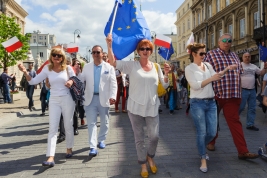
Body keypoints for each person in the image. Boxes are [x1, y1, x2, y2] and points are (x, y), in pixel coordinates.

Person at [106, 34, 170, 178]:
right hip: (135, 107)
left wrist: (166, 74)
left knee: (154, 137)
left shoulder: (156, 66)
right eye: (142, 48)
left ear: (151, 51)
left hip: (152, 106)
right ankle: (143, 163)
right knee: (139, 138)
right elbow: (113, 62)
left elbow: (165, 85)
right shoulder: (132, 65)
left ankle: (150, 156)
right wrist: (109, 46)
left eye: (148, 48)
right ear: (138, 51)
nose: (145, 51)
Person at [18, 47, 76, 167]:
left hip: (67, 98)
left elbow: (75, 79)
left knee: (68, 125)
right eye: (54, 55)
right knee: (53, 128)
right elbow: (33, 81)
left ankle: (69, 147)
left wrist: (71, 82)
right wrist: (24, 71)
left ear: (62, 57)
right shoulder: (47, 69)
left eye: (59, 55)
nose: (56, 57)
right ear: (51, 56)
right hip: (54, 99)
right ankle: (50, 156)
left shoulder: (68, 68)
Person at [204, 33, 259, 159]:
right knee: (213, 121)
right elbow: (204, 73)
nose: (227, 42)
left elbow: (239, 75)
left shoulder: (235, 55)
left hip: (233, 96)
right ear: (219, 42)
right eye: (224, 40)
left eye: (229, 40)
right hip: (216, 95)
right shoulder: (211, 54)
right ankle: (211, 142)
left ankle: (242, 151)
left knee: (235, 123)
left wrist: (239, 93)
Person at [185, 42, 237, 173]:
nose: (204, 55)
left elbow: (217, 77)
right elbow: (196, 86)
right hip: (197, 103)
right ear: (193, 54)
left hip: (211, 103)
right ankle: (203, 158)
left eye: (205, 53)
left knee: (212, 132)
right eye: (201, 53)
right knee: (201, 132)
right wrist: (211, 79)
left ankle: (201, 145)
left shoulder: (207, 65)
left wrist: (226, 69)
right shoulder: (189, 68)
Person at [80, 45, 117, 157]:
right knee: (91, 123)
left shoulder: (109, 67)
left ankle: (101, 139)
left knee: (105, 121)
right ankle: (92, 147)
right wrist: (76, 74)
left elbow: (113, 83)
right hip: (90, 99)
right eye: (93, 52)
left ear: (102, 54)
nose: (95, 54)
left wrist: (113, 96)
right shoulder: (86, 67)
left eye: (98, 52)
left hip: (104, 98)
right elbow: (81, 80)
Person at [239, 52, 266, 131]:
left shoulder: (253, 66)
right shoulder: (239, 65)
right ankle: (234, 121)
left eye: (249, 56)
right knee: (241, 107)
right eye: (245, 56)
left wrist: (265, 68)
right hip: (242, 90)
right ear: (242, 58)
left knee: (252, 108)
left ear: (250, 58)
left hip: (252, 90)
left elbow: (261, 73)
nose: (247, 58)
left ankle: (250, 124)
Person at [72, 60, 85, 133]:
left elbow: (82, 84)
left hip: (80, 94)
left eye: (79, 64)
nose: (78, 65)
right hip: (73, 94)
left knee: (81, 108)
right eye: (76, 64)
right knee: (75, 110)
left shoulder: (82, 74)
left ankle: (82, 117)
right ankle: (75, 127)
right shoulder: (71, 73)